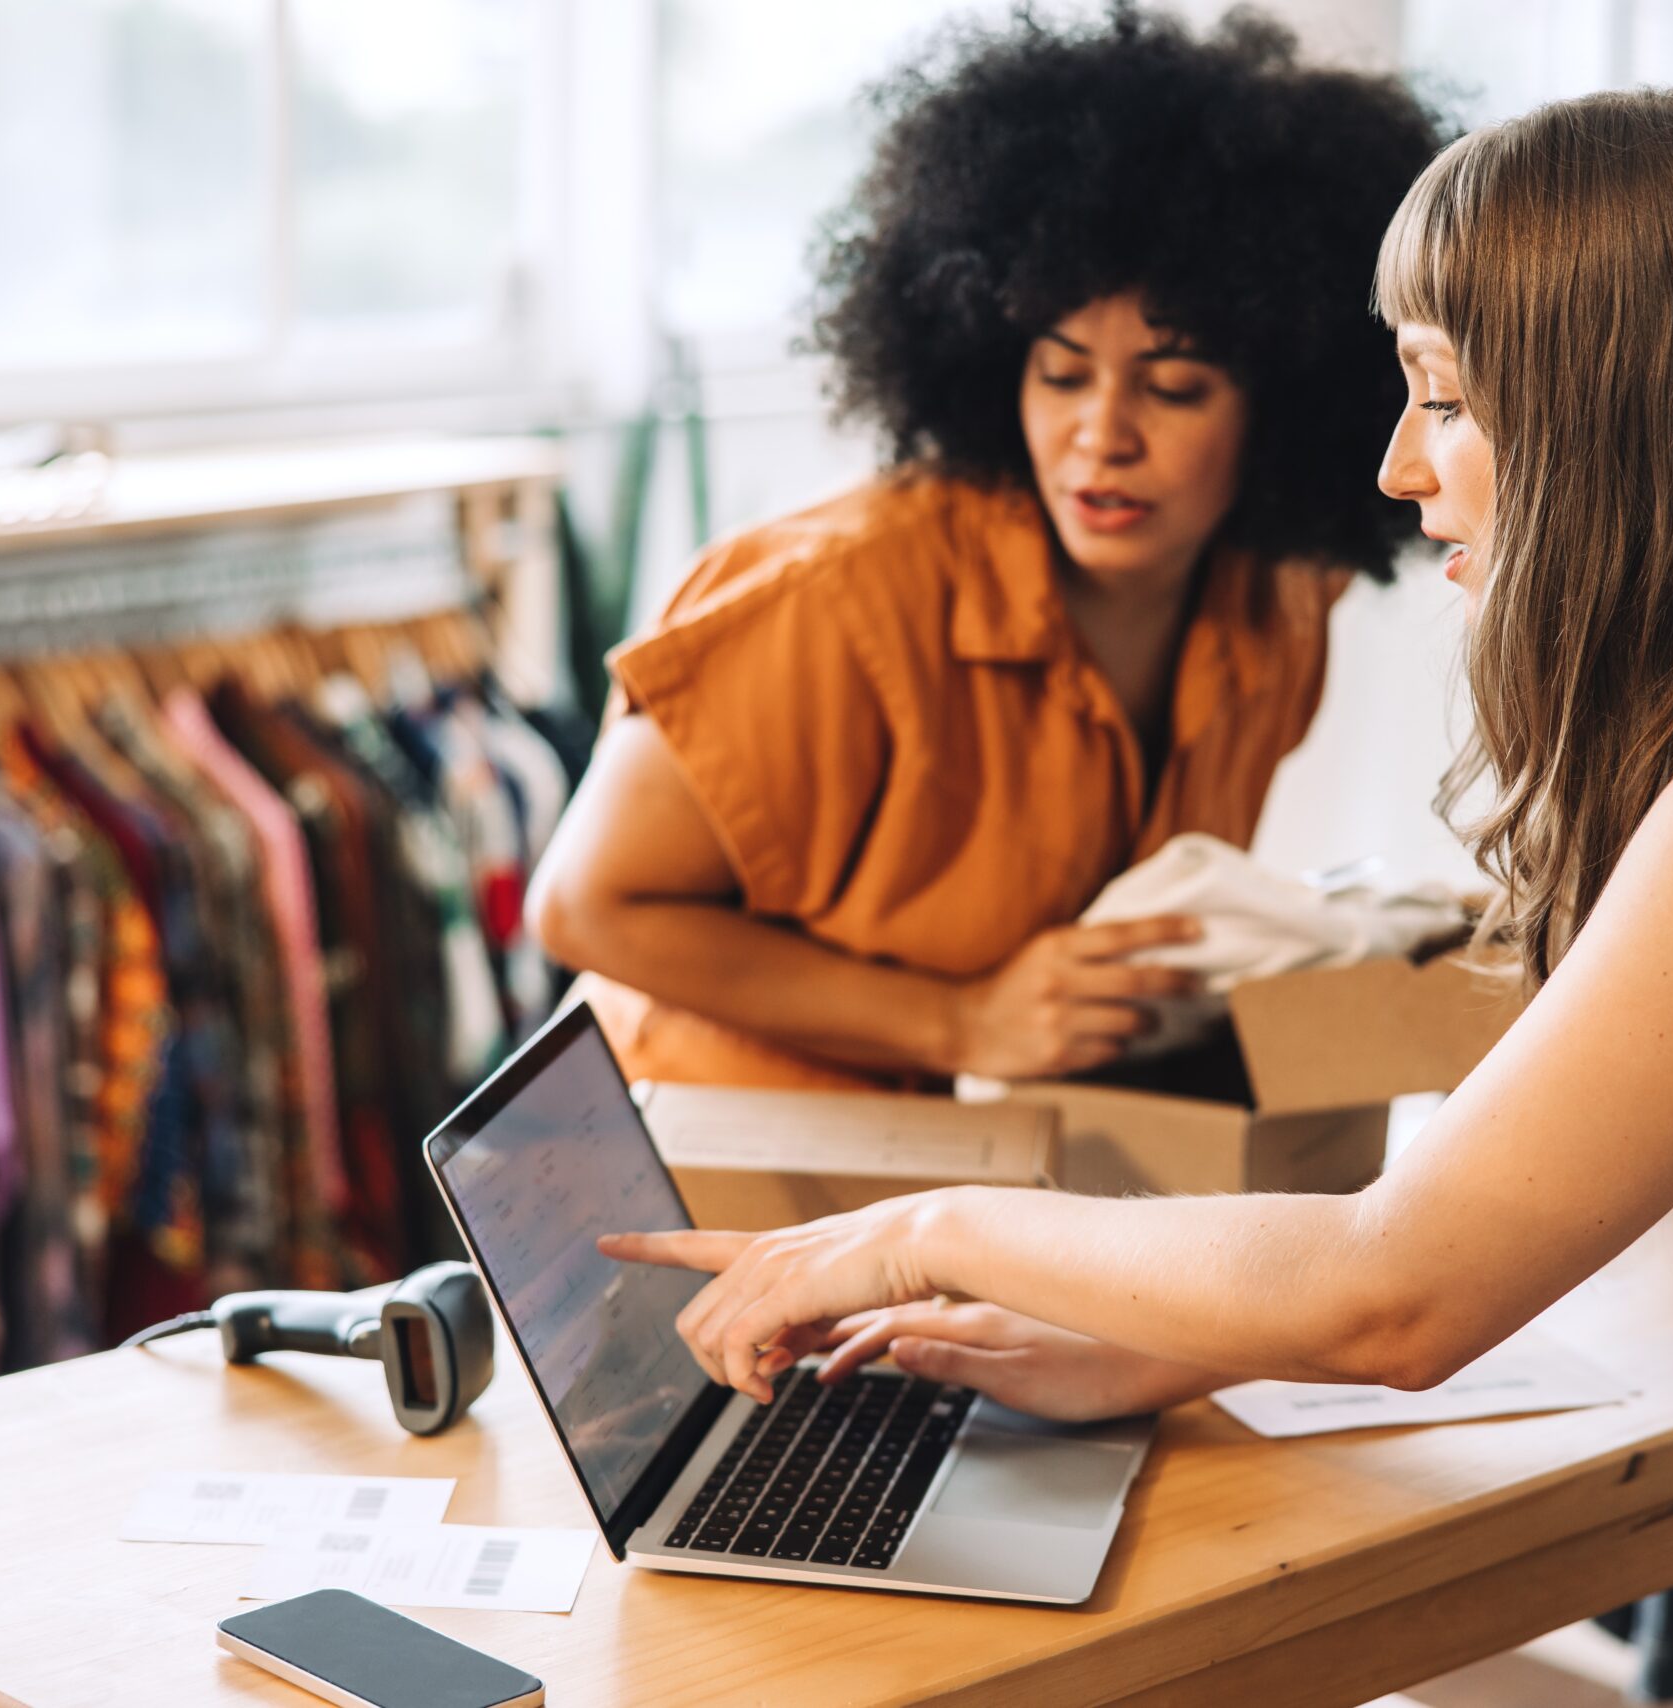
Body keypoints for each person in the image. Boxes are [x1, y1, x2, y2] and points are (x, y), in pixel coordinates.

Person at [603, 89, 1673, 1705]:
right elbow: (1537, 1176)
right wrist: (1149, 1345)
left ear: (1616, 412)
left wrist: (911, 1230)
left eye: (1447, 395)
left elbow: (1399, 1291)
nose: (1406, 467)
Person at [526, 9, 1447, 1091]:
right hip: (681, 1151)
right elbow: (582, 905)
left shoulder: (1278, 604)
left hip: (954, 1172)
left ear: (1286, 403)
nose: (1100, 435)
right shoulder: (834, 599)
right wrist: (957, 1021)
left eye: (1174, 386)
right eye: (1060, 374)